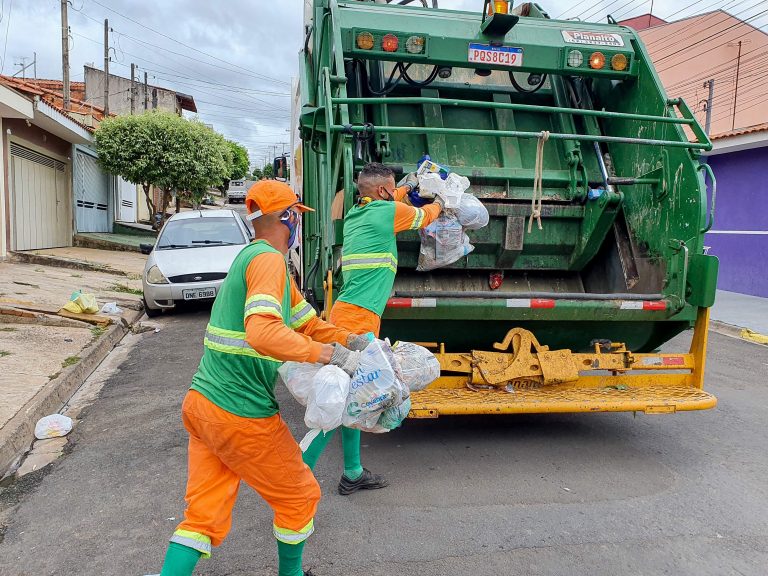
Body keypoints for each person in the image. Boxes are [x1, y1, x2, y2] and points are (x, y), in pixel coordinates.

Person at [154, 180, 369, 576]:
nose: (298, 226)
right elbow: (263, 333)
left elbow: (308, 324)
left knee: (202, 515)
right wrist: (332, 356)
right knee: (300, 495)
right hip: (240, 412)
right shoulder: (268, 261)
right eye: (297, 218)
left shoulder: (253, 259)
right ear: (287, 218)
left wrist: (356, 342)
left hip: (203, 405)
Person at [302, 162, 444, 495]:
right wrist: (441, 199)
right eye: (391, 188)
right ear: (382, 192)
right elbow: (428, 216)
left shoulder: (358, 213)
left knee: (353, 398)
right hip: (356, 324)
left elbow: (390, 197)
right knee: (336, 403)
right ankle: (297, 479)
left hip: (348, 315)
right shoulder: (385, 213)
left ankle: (352, 472)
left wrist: (407, 187)